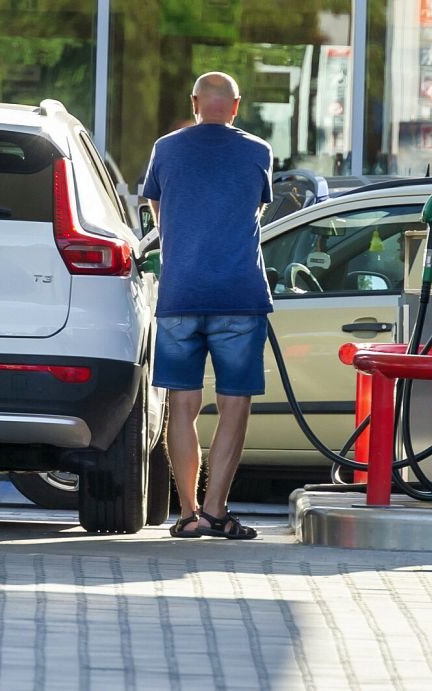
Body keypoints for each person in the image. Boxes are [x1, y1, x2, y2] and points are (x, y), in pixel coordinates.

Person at [141, 71, 273, 540]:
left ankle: (188, 513)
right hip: (240, 295)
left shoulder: (166, 148)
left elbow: (159, 214)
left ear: (194, 101)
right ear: (236, 107)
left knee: (183, 404)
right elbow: (255, 211)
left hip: (181, 294)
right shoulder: (258, 151)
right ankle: (216, 510)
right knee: (234, 404)